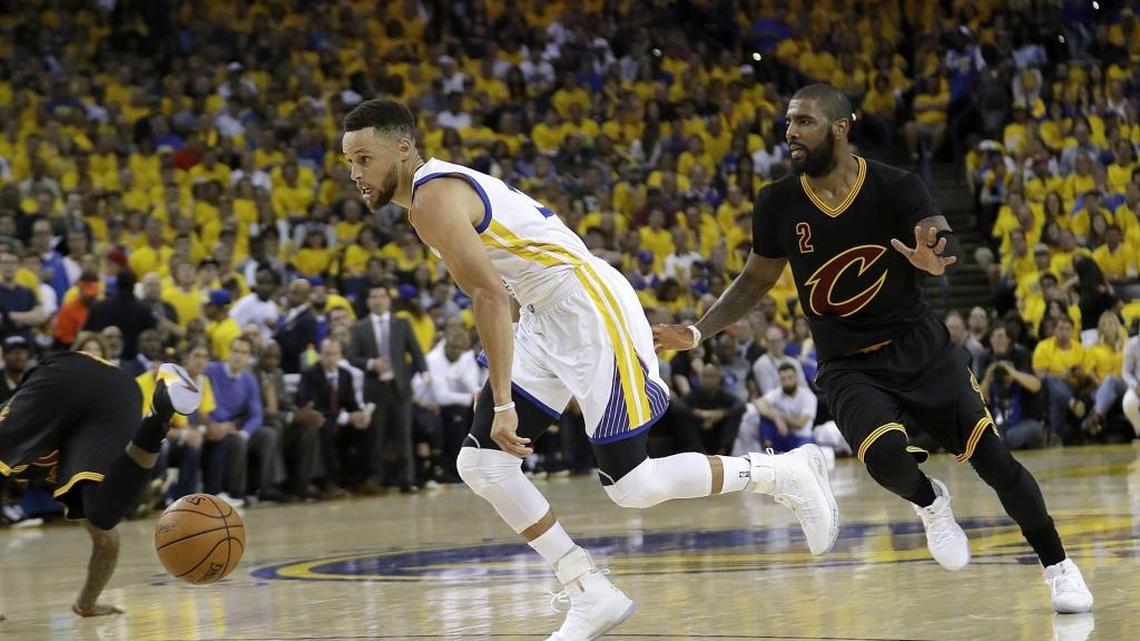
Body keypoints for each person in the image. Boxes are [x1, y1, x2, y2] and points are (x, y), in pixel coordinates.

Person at [342, 97, 837, 640]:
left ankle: (781, 473)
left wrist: (503, 400)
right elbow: (503, 292)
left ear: (403, 148)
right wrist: (501, 376)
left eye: (365, 159)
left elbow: (488, 296)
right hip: (543, 314)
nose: (356, 174)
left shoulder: (432, 198)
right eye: (349, 163)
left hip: (584, 305)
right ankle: (587, 589)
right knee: (483, 464)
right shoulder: (428, 200)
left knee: (632, 485)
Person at [654, 83, 1092, 614]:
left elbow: (941, 237)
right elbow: (755, 280)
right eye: (788, 122)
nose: (790, 132)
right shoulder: (776, 202)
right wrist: (696, 332)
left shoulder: (896, 185)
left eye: (804, 122)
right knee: (884, 459)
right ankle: (931, 502)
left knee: (995, 461)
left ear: (840, 128)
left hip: (919, 348)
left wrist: (938, 258)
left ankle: (1058, 567)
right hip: (848, 364)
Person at [0, 351, 200, 616]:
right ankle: (158, 418)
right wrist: (87, 603)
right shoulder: (60, 472)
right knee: (103, 516)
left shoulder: (17, 454)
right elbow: (107, 542)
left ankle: (157, 418)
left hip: (69, 371)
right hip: (122, 389)